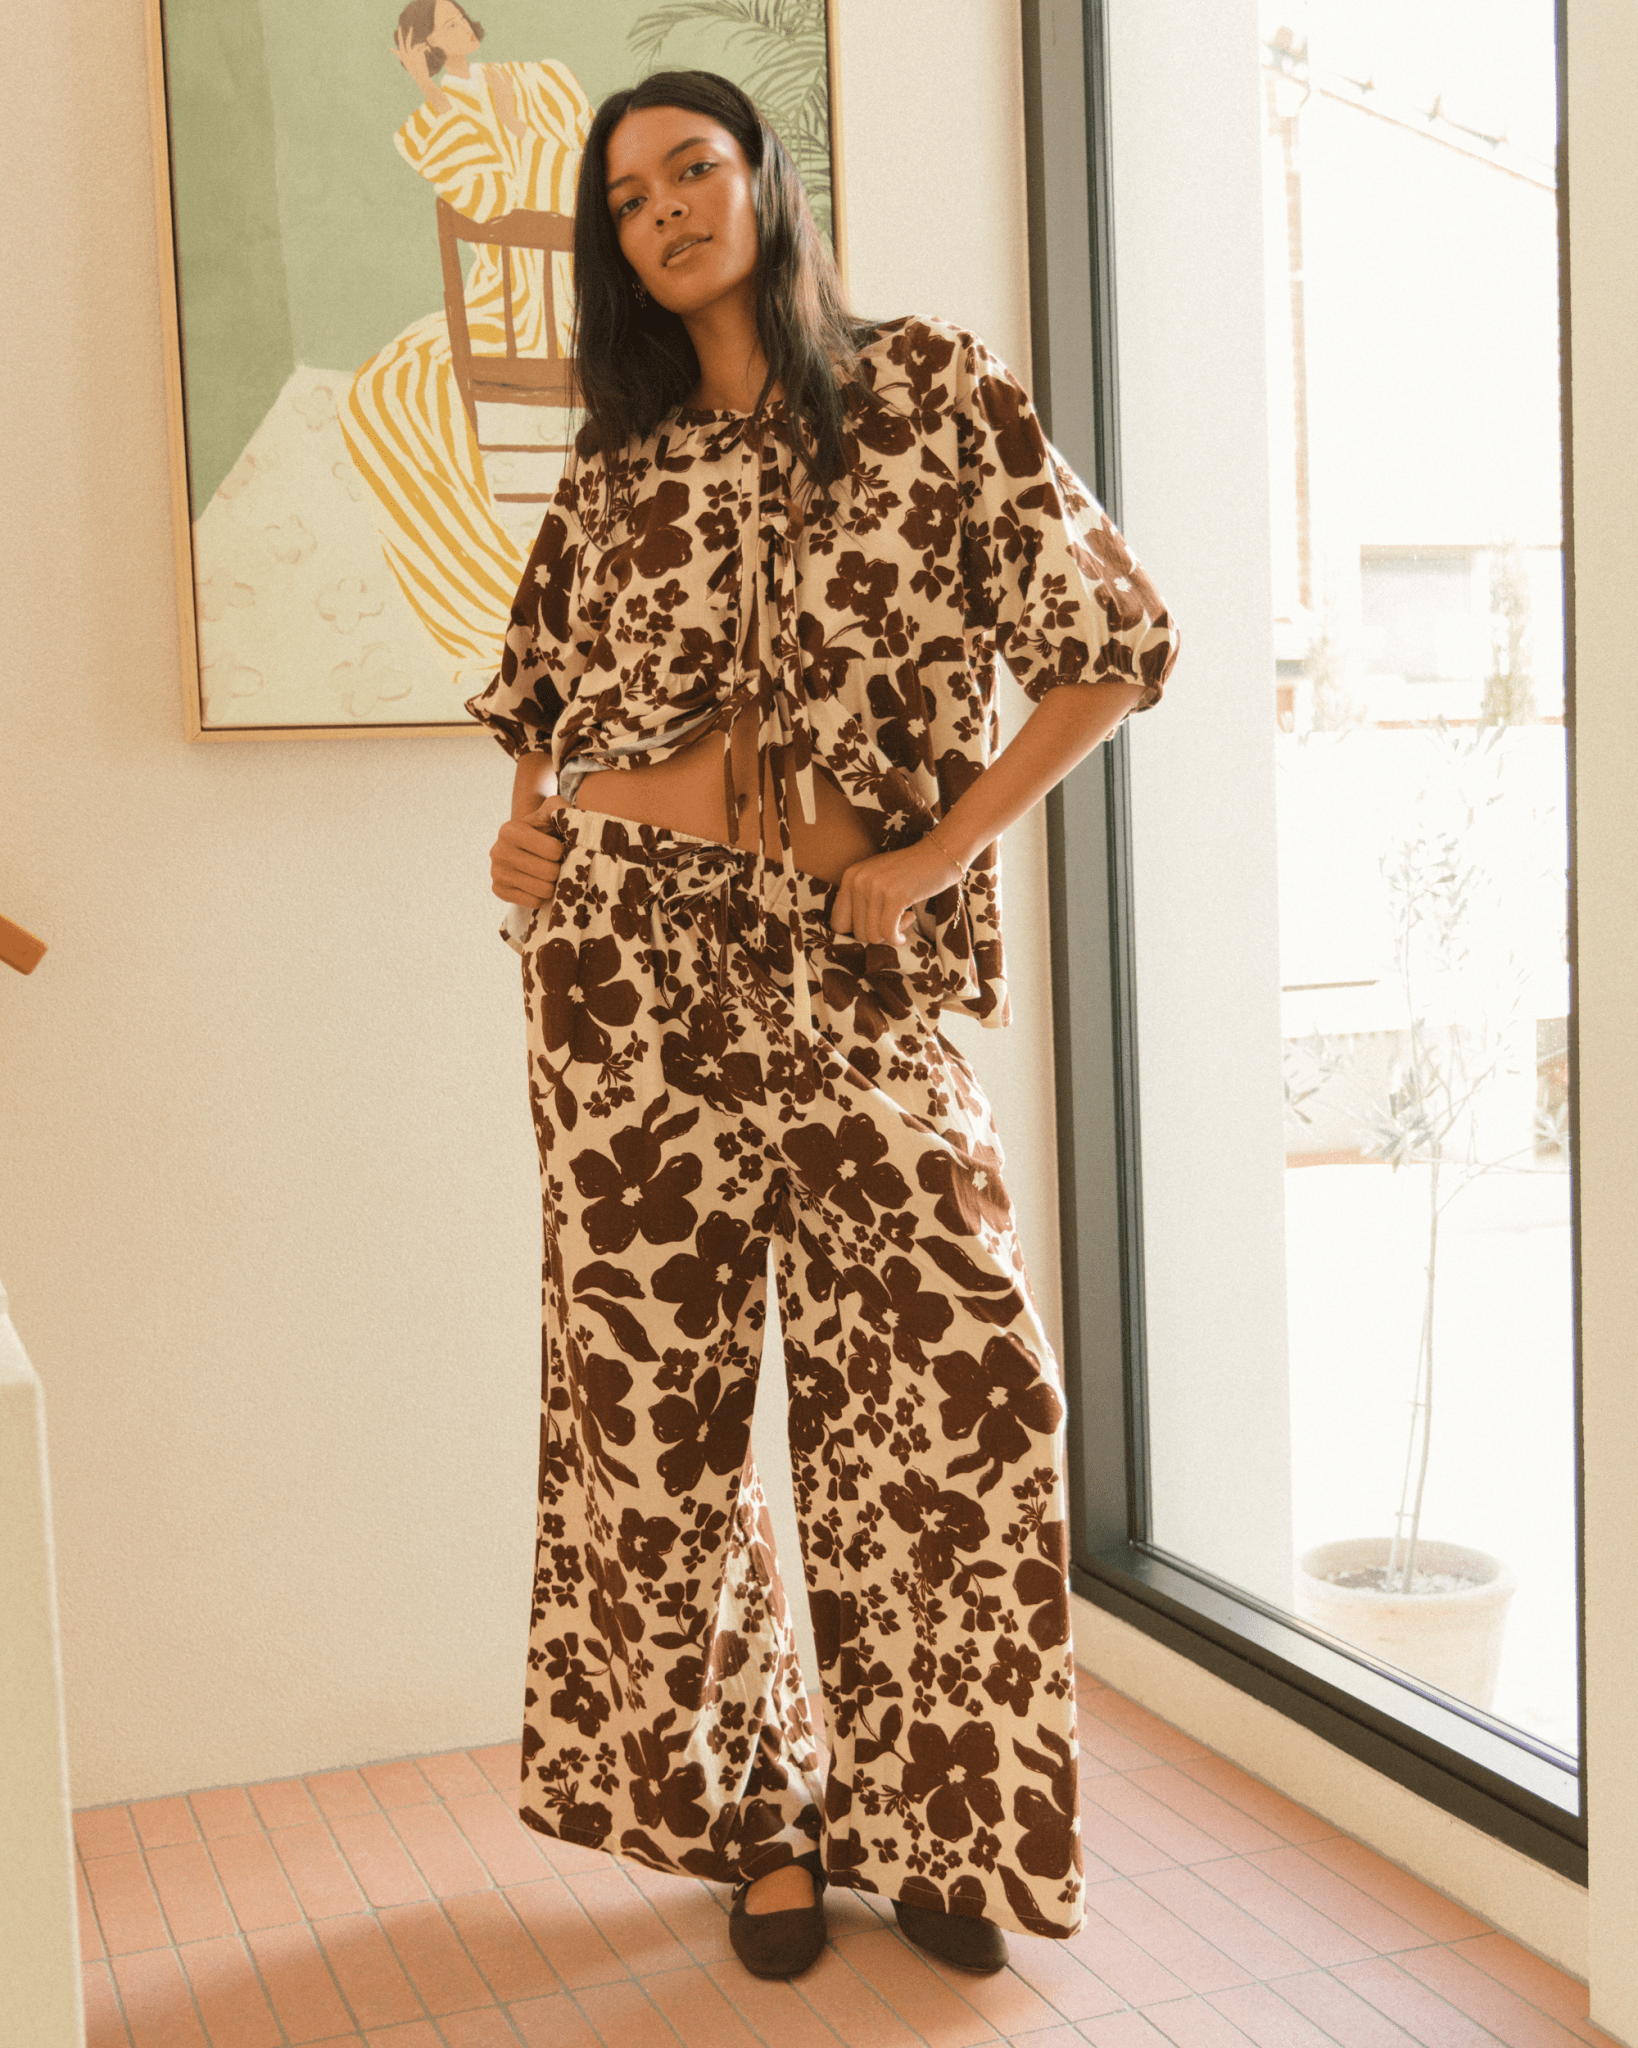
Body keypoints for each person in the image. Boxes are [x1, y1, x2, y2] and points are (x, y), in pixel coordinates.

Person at [465, 69, 1178, 1982]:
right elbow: (537, 688)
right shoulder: (617, 460)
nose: (664, 209)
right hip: (622, 971)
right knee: (658, 1417)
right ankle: (761, 1817)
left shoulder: (928, 392)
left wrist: (943, 846)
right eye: (627, 198)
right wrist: (529, 828)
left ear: (764, 179)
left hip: (849, 965)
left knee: (955, 1379)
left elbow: (1110, 643)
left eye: (690, 167)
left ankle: (941, 1817)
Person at [338, 1, 591, 688]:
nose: (458, 29)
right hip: (503, 293)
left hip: (581, 291)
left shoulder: (545, 80)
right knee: (387, 387)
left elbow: (585, 178)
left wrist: (517, 131)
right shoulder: (434, 117)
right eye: (441, 27)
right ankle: (484, 591)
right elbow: (485, 200)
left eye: (459, 18)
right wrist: (432, 93)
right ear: (421, 46)